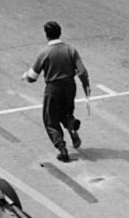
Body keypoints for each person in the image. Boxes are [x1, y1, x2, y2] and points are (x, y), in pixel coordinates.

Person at [22, 21, 90, 162]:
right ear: (60, 33)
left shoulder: (45, 53)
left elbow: (32, 77)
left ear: (47, 35)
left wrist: (26, 76)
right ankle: (71, 124)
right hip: (70, 87)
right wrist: (86, 85)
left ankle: (62, 148)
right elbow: (82, 71)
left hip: (53, 89)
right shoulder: (70, 49)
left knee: (51, 119)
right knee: (66, 112)